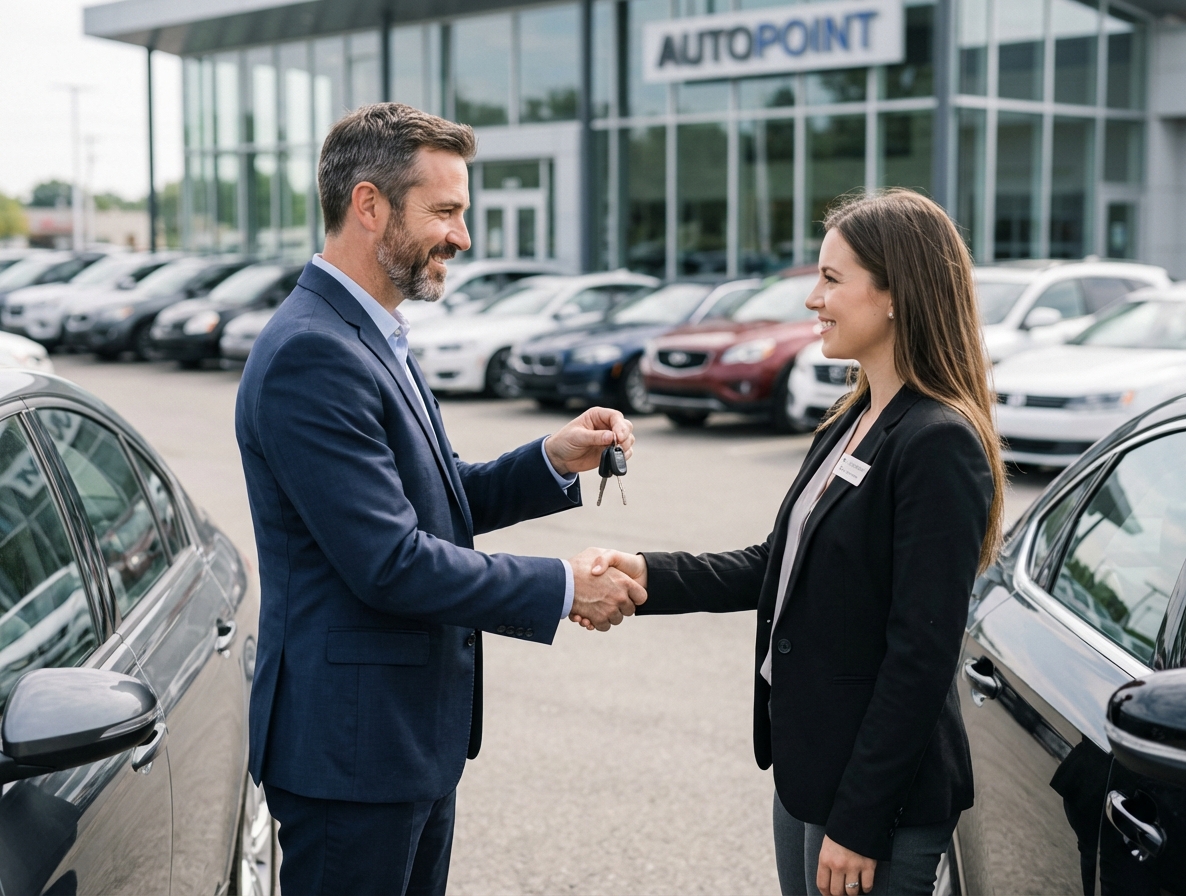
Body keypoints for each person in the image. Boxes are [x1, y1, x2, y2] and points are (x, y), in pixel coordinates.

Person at [235, 103, 646, 896]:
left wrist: (549, 460)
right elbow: (390, 562)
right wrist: (564, 588)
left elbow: (431, 500)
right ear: (369, 205)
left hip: (401, 745)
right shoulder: (313, 354)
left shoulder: (368, 330)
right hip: (351, 757)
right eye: (446, 212)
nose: (462, 236)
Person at [583, 189, 1006, 896]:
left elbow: (920, 657)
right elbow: (780, 565)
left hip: (876, 802)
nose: (812, 299)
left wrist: (860, 822)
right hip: (810, 770)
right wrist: (647, 574)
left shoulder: (937, 443)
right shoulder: (853, 418)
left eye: (832, 280)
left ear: (899, 293)